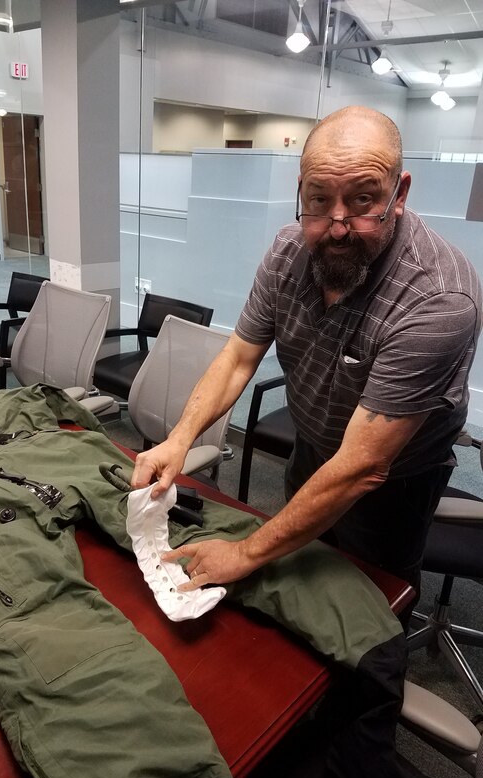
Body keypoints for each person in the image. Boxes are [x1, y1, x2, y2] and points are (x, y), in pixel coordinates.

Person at [131, 105, 482, 602]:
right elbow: (238, 357)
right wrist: (180, 439)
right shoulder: (288, 250)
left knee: (368, 607)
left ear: (399, 194)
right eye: (319, 200)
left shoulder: (438, 299)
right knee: (296, 578)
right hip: (314, 449)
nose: (337, 226)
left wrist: (245, 552)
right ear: (302, 190)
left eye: (362, 200)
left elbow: (363, 466)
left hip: (391, 484)